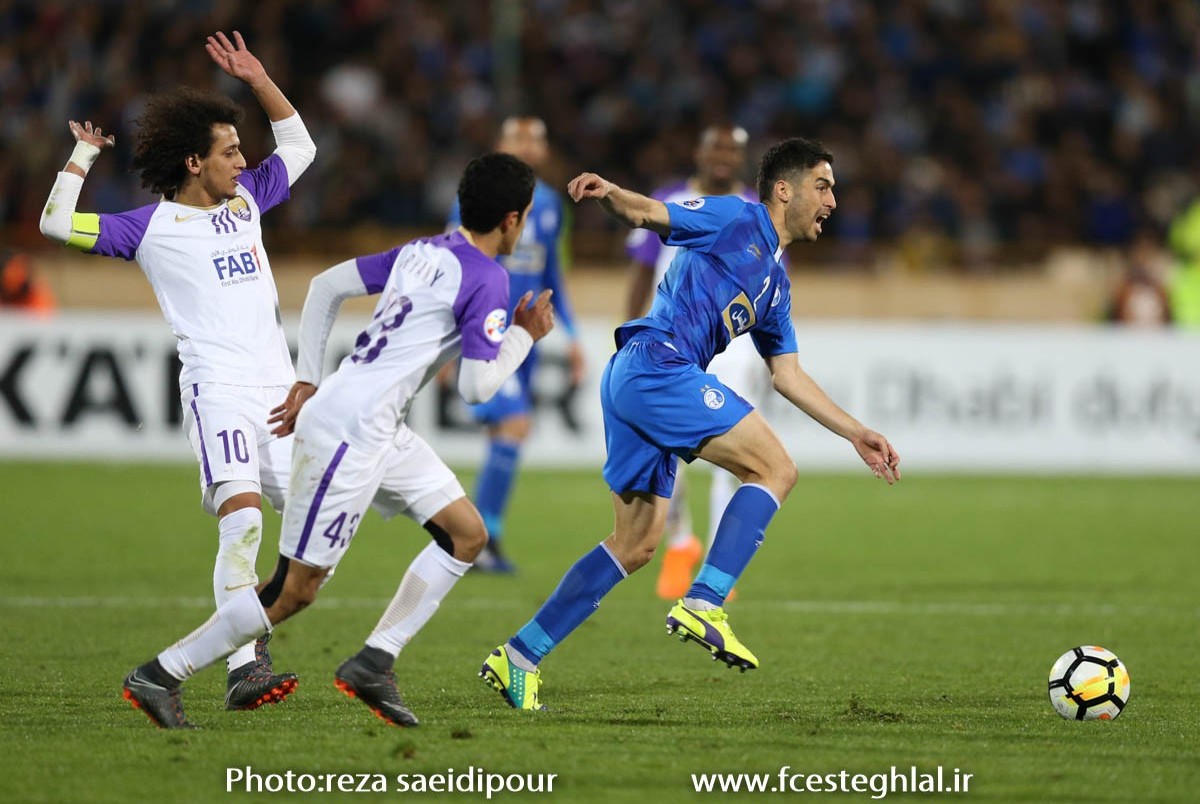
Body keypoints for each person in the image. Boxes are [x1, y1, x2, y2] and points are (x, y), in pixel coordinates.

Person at [119, 153, 555, 729]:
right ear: (513, 220)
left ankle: (375, 661)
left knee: (465, 535)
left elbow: (326, 287)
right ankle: (161, 674)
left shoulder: (423, 251)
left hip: (377, 422)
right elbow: (476, 389)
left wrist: (309, 377)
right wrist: (524, 337)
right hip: (349, 433)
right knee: (295, 590)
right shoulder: (488, 277)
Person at [480, 138, 900, 711]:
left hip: (638, 380)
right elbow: (653, 214)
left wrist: (856, 432)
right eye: (823, 186)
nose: (832, 200)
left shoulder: (776, 287)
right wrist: (609, 195)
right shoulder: (737, 218)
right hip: (658, 364)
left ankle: (519, 656)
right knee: (774, 468)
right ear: (785, 190)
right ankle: (705, 602)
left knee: (634, 545)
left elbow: (789, 375)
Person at [38, 31, 315, 712]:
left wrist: (258, 78)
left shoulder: (247, 198)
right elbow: (54, 224)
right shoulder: (148, 228)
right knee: (242, 523)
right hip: (217, 391)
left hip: (279, 395)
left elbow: (301, 148)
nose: (243, 159)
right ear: (195, 163)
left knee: (313, 541)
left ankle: (236, 637)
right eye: (228, 152)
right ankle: (244, 663)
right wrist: (81, 154)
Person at [625, 124, 768, 600]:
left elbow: (770, 288)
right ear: (700, 153)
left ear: (744, 157)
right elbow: (642, 272)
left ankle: (714, 566)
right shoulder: (670, 198)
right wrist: (628, 335)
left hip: (735, 346)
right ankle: (682, 541)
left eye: (733, 149)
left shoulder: (757, 211)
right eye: (716, 148)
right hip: (670, 343)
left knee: (735, 458)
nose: (724, 156)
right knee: (665, 449)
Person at [445, 116, 584, 573]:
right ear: (501, 143)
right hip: (482, 331)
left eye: (535, 140)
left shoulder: (549, 206)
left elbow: (553, 277)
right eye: (517, 138)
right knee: (515, 425)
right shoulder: (476, 197)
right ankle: (481, 540)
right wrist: (448, 341)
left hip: (524, 336)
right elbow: (450, 265)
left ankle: (478, 538)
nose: (527, 146)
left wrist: (573, 337)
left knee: (504, 437)